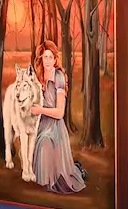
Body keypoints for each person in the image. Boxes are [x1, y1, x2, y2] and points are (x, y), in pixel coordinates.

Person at [28, 44, 87, 193]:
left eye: (50, 57)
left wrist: (40, 110)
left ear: (55, 60)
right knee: (39, 145)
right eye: (45, 57)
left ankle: (74, 170)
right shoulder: (38, 75)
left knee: (46, 143)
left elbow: (60, 113)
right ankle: (44, 177)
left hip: (55, 125)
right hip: (42, 123)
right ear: (41, 59)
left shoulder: (59, 77)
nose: (47, 61)